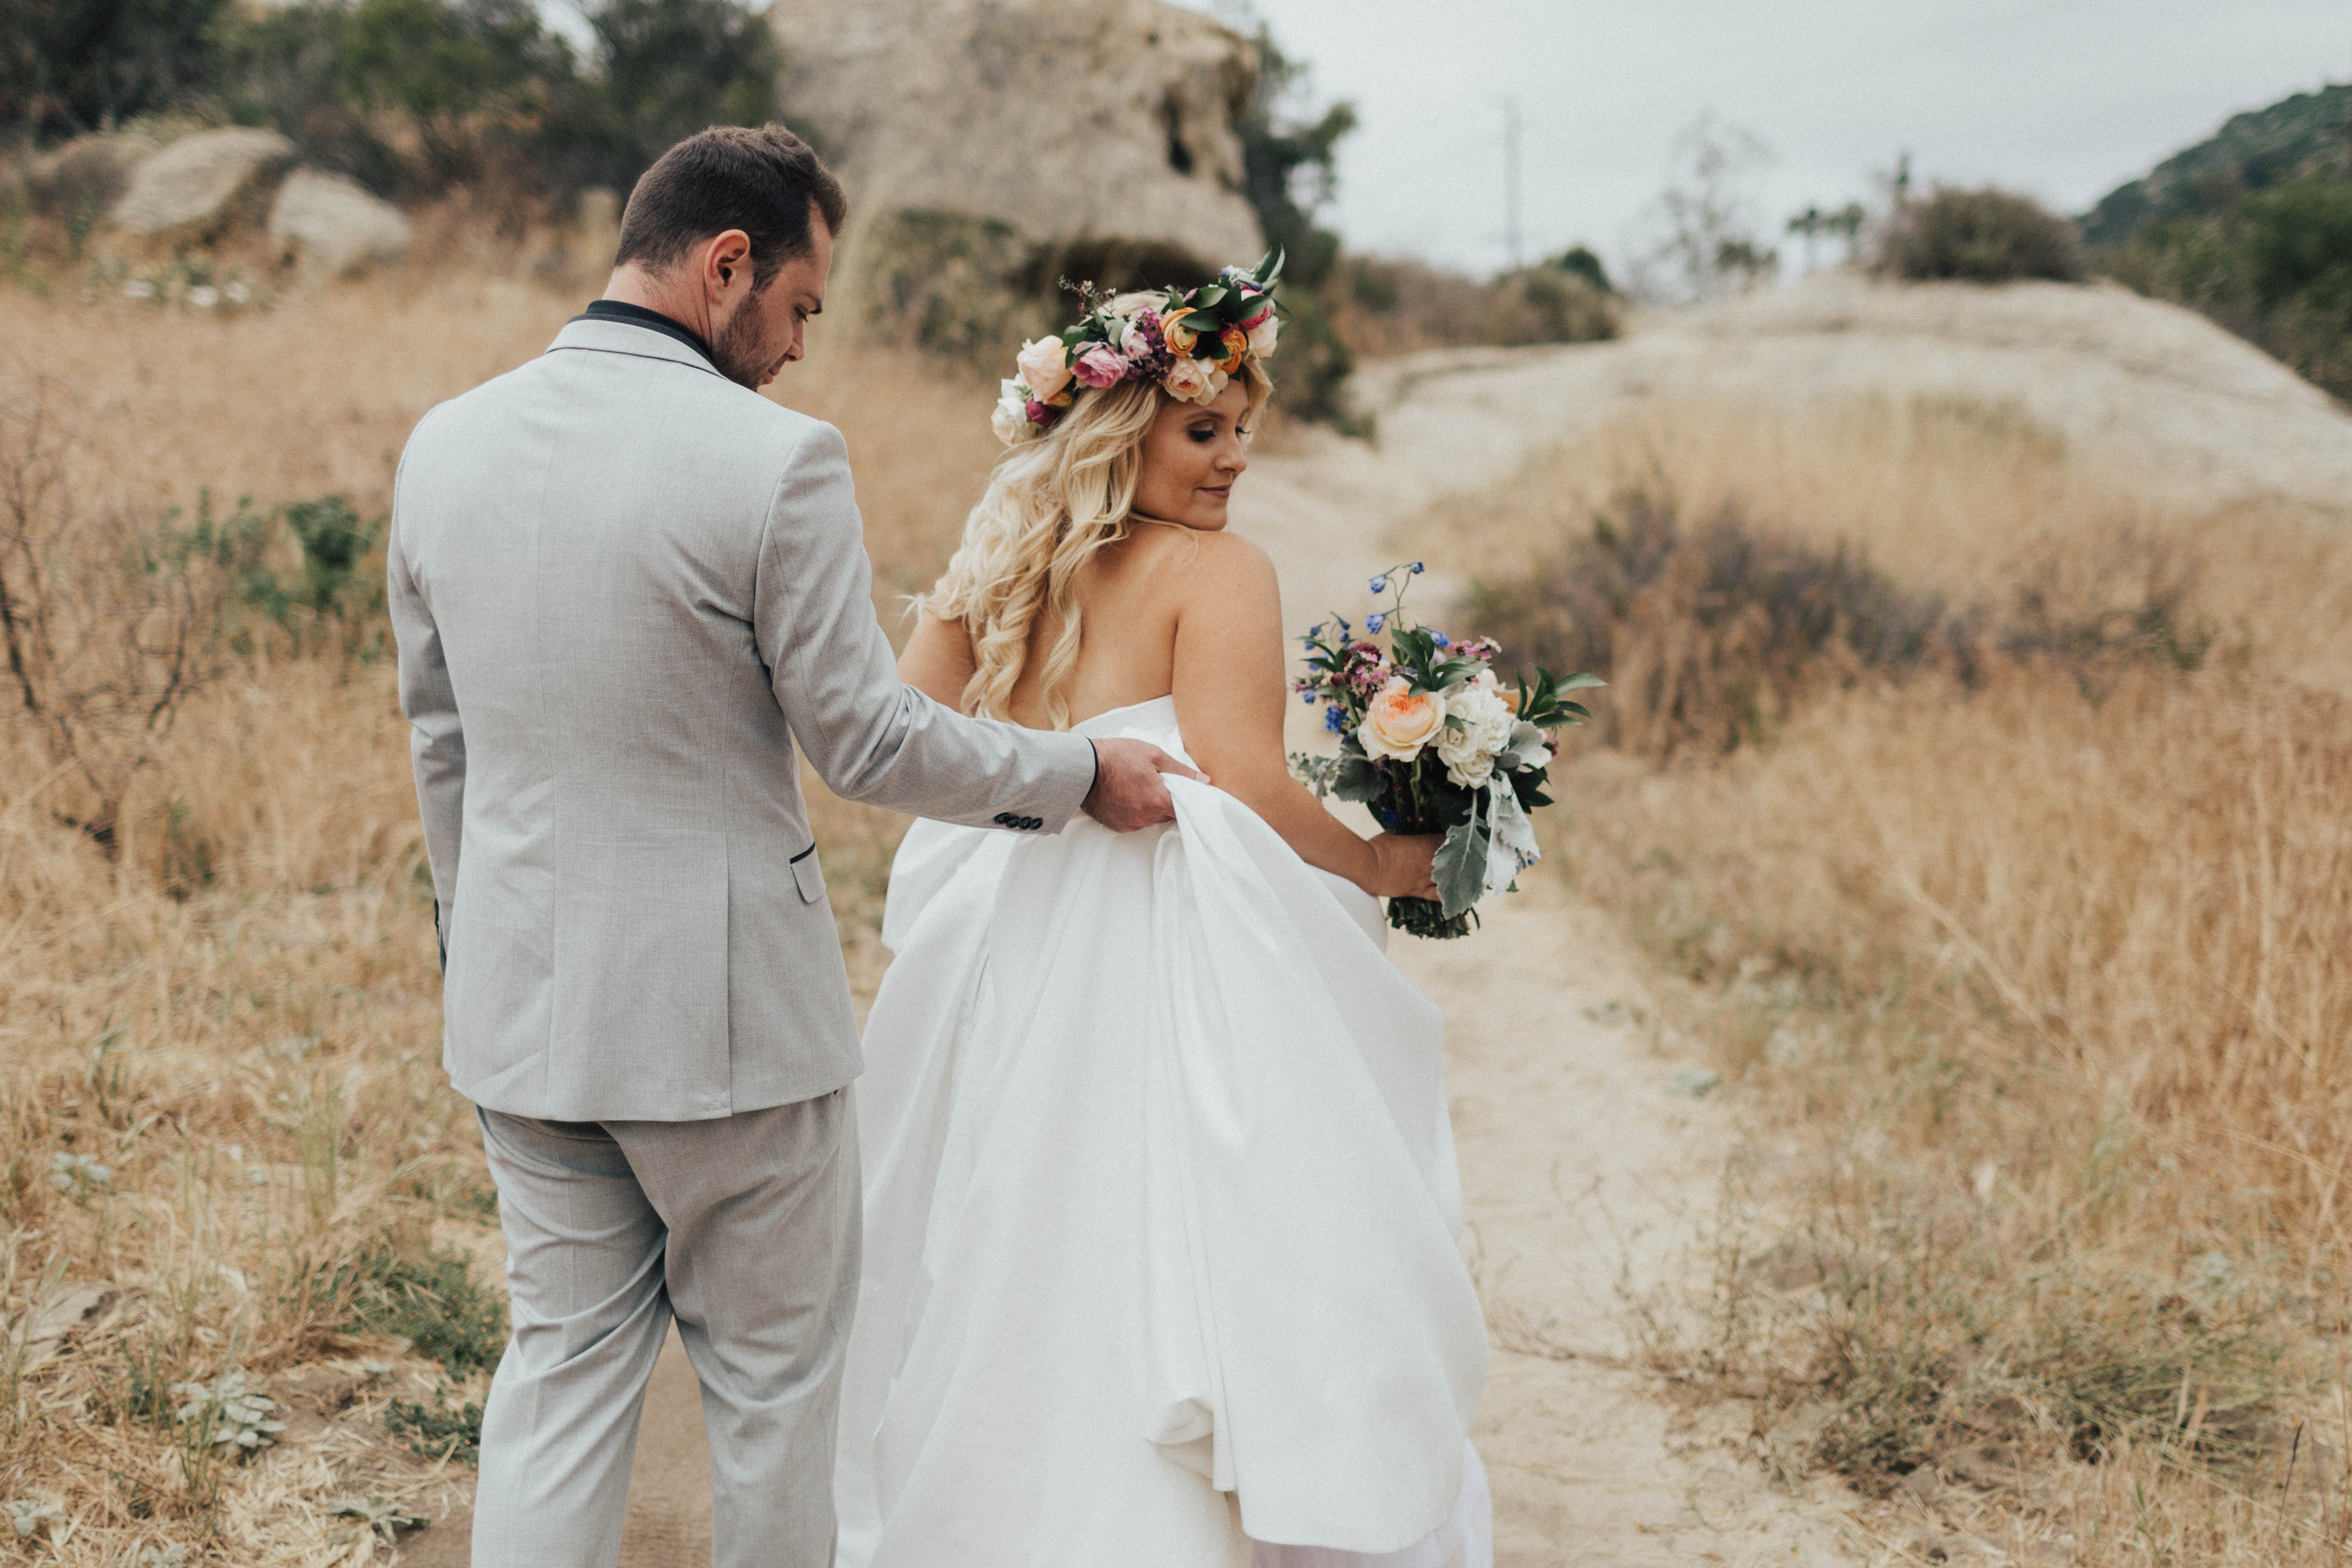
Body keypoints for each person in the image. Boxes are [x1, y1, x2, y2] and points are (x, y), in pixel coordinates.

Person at [385, 125, 1201, 1568]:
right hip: (731, 1039)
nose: (802, 348)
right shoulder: (775, 463)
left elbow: (441, 743)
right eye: (803, 307)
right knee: (769, 1396)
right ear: (725, 267)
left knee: (556, 1383)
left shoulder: (444, 444)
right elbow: (870, 740)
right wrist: (1076, 772)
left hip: (518, 1014)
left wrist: (484, 954)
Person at [834, 264, 1493, 1567]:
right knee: (1191, 1229)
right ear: (1120, 424)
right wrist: (1376, 866)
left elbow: (907, 727)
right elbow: (1245, 780)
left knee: (1012, 1221)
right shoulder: (1218, 570)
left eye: (1244, 429)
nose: (1234, 458)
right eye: (1205, 428)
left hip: (1006, 929)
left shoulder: (1003, 553)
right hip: (1156, 931)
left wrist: (1039, 752)